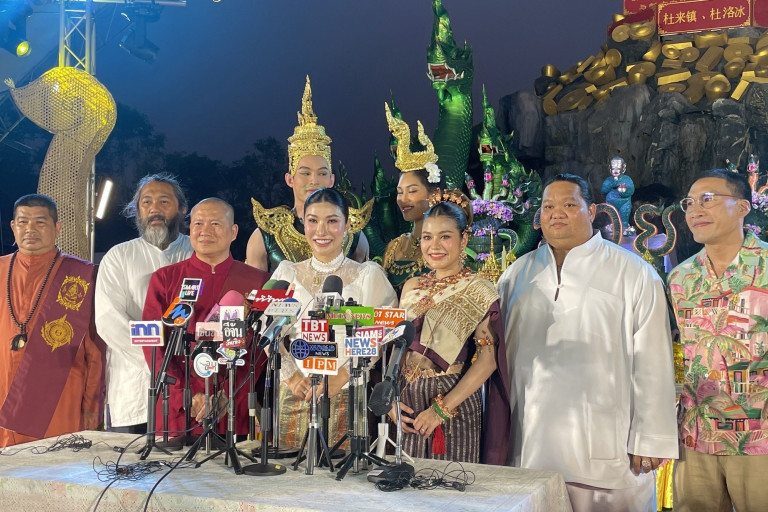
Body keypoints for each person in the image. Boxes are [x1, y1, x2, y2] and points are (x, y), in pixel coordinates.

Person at [498, 174, 678, 512]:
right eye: (548, 206)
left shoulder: (633, 272)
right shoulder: (517, 274)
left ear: (592, 210)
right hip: (529, 444)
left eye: (569, 204)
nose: (556, 213)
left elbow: (653, 359)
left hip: (608, 447)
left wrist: (651, 436)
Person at [668, 169, 768, 512]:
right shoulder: (680, 277)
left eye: (708, 199)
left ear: (742, 207)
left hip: (760, 436)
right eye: (690, 203)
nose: (695, 210)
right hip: (697, 435)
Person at [389, 189, 510, 464]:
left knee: (450, 484)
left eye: (445, 237)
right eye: (427, 237)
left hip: (452, 403)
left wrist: (440, 411)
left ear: (463, 239)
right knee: (403, 484)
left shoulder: (478, 290)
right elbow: (398, 349)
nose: (434, 246)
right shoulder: (411, 286)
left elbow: (488, 361)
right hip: (406, 403)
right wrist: (391, 400)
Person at [271, 188, 397, 449]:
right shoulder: (286, 273)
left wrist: (341, 376)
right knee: (290, 470)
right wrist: (292, 378)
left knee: (342, 470)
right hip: (298, 391)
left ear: (347, 224)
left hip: (347, 388)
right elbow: (270, 332)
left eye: (332, 221)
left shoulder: (367, 275)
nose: (321, 231)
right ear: (303, 223)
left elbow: (379, 333)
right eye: (313, 220)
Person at [142, 198, 269, 436]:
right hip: (177, 408)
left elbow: (260, 349)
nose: (205, 231)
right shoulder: (165, 279)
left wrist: (228, 393)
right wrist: (185, 394)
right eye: (198, 223)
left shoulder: (257, 281)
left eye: (215, 224)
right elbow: (153, 346)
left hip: (232, 407)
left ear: (234, 232)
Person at [0, 194, 105, 447]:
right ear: (13, 227)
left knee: (56, 464)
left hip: (60, 398)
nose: (30, 229)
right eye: (23, 222)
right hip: (3, 392)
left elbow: (96, 349)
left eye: (40, 222)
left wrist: (92, 405)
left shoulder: (82, 275)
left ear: (57, 228)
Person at [95, 173, 193, 434]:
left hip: (192, 385)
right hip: (135, 383)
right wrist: (158, 363)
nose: (154, 209)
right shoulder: (119, 256)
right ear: (137, 210)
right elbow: (109, 321)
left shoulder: (197, 252)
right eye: (146, 202)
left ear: (182, 209)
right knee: (132, 458)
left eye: (164, 202)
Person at [247, 76, 369, 273]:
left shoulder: (353, 234)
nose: (314, 180)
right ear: (289, 179)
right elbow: (255, 288)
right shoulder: (267, 234)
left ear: (332, 180)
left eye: (322, 173)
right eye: (305, 173)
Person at [382, 102, 444, 292]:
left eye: (412, 191)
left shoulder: (445, 245)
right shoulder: (395, 247)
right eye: (400, 192)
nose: (403, 199)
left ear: (434, 194)